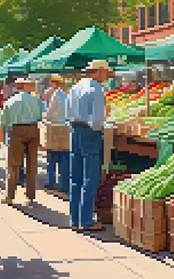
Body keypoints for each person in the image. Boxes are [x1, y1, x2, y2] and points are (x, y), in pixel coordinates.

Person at [66, 60, 112, 232]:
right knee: (90, 178)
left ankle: (74, 220)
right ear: (99, 72)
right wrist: (99, 128)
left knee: (75, 178)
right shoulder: (97, 89)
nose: (106, 76)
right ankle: (86, 220)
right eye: (105, 73)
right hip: (90, 133)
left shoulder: (76, 87)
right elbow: (98, 118)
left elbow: (67, 113)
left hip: (75, 131)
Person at [0, 78, 44, 205]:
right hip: (33, 129)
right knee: (32, 163)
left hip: (16, 130)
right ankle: (30, 194)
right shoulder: (37, 100)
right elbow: (41, 116)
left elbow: (4, 121)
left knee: (14, 164)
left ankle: (10, 195)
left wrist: (1, 136)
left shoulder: (10, 101)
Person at [44, 74, 70, 193]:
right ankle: (63, 184)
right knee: (64, 157)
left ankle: (50, 181)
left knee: (52, 157)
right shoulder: (67, 94)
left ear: (55, 83)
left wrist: (45, 116)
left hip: (55, 128)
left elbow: (51, 111)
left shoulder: (57, 94)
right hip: (66, 128)